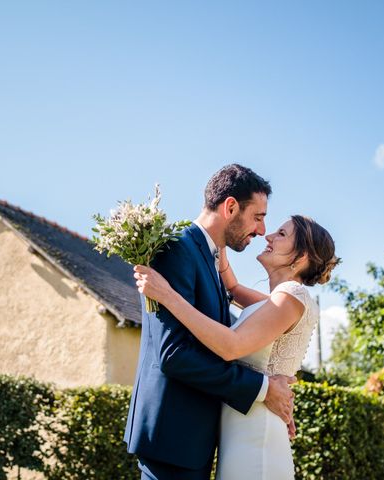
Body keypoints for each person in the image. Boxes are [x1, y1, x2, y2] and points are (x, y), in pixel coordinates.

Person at [124, 165, 297, 480]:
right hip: (173, 438)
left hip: (194, 440)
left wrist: (275, 383)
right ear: (231, 207)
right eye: (258, 217)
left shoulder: (209, 257)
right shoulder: (178, 250)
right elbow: (174, 355)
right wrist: (261, 389)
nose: (262, 230)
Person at [134, 214, 340, 479]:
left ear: (300, 258)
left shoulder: (291, 296)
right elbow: (230, 286)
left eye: (281, 234)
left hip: (256, 432)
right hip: (241, 426)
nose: (268, 236)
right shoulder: (275, 300)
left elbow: (231, 346)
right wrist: (219, 229)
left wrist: (167, 296)